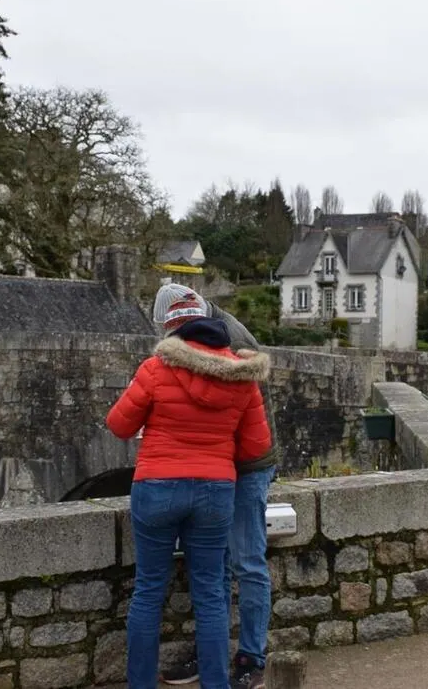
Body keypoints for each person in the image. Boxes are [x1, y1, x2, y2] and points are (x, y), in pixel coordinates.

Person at [106, 293, 272, 689]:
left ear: (172, 330)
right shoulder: (242, 375)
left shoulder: (154, 368)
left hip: (157, 487)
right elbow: (255, 448)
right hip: (215, 491)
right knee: (211, 594)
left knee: (148, 591)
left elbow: (119, 425)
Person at [151, 283, 276, 689]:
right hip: (218, 463)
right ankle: (212, 652)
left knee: (247, 562)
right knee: (214, 563)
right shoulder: (203, 330)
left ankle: (251, 658)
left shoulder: (231, 340)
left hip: (246, 464)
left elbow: (237, 409)